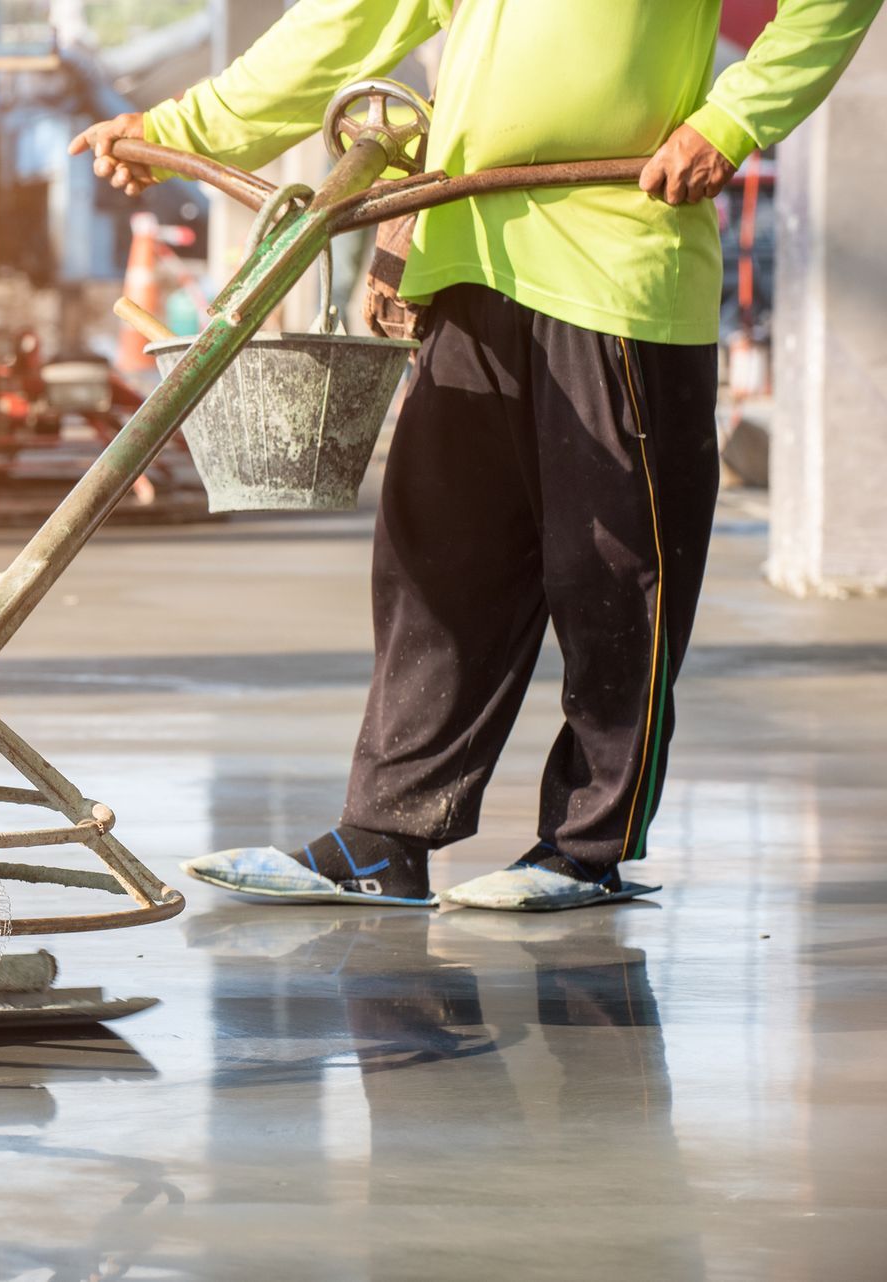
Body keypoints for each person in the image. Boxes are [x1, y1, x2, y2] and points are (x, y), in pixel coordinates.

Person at [73, 1, 881, 912]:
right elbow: (344, 22)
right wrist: (176, 129)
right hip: (465, 249)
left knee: (614, 573)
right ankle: (385, 838)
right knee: (436, 562)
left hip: (617, 256)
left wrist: (730, 122)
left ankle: (586, 850)